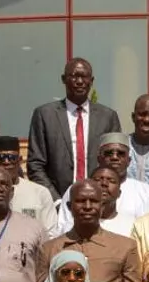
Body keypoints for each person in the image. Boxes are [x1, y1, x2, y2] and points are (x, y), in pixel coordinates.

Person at [27, 58, 122, 198]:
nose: (79, 81)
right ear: (64, 79)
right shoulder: (45, 115)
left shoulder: (108, 117)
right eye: (74, 76)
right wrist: (56, 201)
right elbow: (35, 164)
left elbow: (115, 163)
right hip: (58, 202)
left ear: (92, 80)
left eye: (84, 76)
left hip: (99, 202)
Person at [40, 179, 140, 282]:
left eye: (93, 201)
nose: (87, 206)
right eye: (81, 201)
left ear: (102, 206)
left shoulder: (125, 247)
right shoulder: (49, 250)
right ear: (69, 206)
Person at [0, 136, 59, 239]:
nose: (7, 162)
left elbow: (50, 234)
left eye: (12, 158)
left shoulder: (40, 193)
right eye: (1, 158)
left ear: (20, 160)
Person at [70, 135, 149, 236]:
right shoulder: (78, 189)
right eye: (108, 153)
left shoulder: (148, 193)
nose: (114, 157)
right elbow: (64, 227)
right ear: (99, 159)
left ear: (129, 161)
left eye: (121, 154)